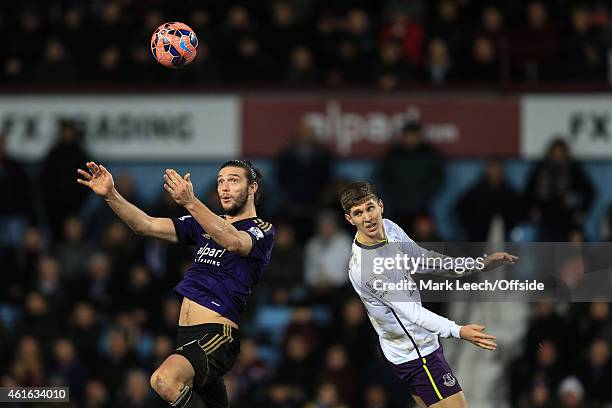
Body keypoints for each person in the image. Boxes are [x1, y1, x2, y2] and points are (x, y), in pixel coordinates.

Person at [76, 160, 275, 408]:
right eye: (220, 181)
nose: (224, 187)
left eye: (233, 180)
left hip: (216, 335)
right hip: (186, 336)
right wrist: (111, 195)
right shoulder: (203, 225)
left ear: (252, 188)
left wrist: (191, 202)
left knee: (163, 380)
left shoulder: (261, 229)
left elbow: (233, 241)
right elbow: (145, 225)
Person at [340, 182, 517, 407]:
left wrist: (478, 264)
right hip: (417, 354)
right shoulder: (365, 268)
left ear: (381, 206)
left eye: (370, 208)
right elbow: (413, 313)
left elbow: (423, 259)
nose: (367, 217)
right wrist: (459, 330)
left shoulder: (390, 228)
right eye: (358, 213)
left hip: (412, 347)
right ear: (349, 219)